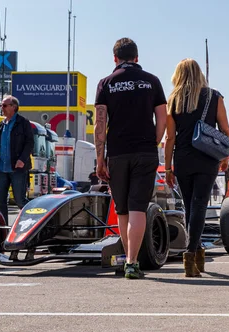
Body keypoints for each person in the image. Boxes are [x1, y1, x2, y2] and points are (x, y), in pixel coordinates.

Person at [94, 37, 167, 279]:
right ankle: (133, 263)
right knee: (138, 208)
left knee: (122, 210)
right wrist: (153, 143)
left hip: (117, 153)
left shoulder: (105, 83)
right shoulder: (152, 81)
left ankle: (128, 259)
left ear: (115, 58)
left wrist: (100, 159)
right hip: (145, 152)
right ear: (137, 57)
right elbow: (162, 119)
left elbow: (100, 125)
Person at [164, 59, 229, 277]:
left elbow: (170, 138)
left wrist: (167, 168)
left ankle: (198, 253)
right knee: (200, 205)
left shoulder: (173, 100)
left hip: (182, 159)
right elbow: (225, 130)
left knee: (190, 208)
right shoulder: (214, 96)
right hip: (207, 157)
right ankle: (191, 254)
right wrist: (225, 156)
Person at [0, 95, 34, 223]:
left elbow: (30, 143)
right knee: (0, 201)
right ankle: (3, 230)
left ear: (14, 107)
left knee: (20, 200)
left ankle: (34, 223)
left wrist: (22, 159)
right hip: (1, 168)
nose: (2, 108)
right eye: (1, 105)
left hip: (17, 168)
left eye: (4, 105)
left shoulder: (23, 123)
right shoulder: (2, 124)